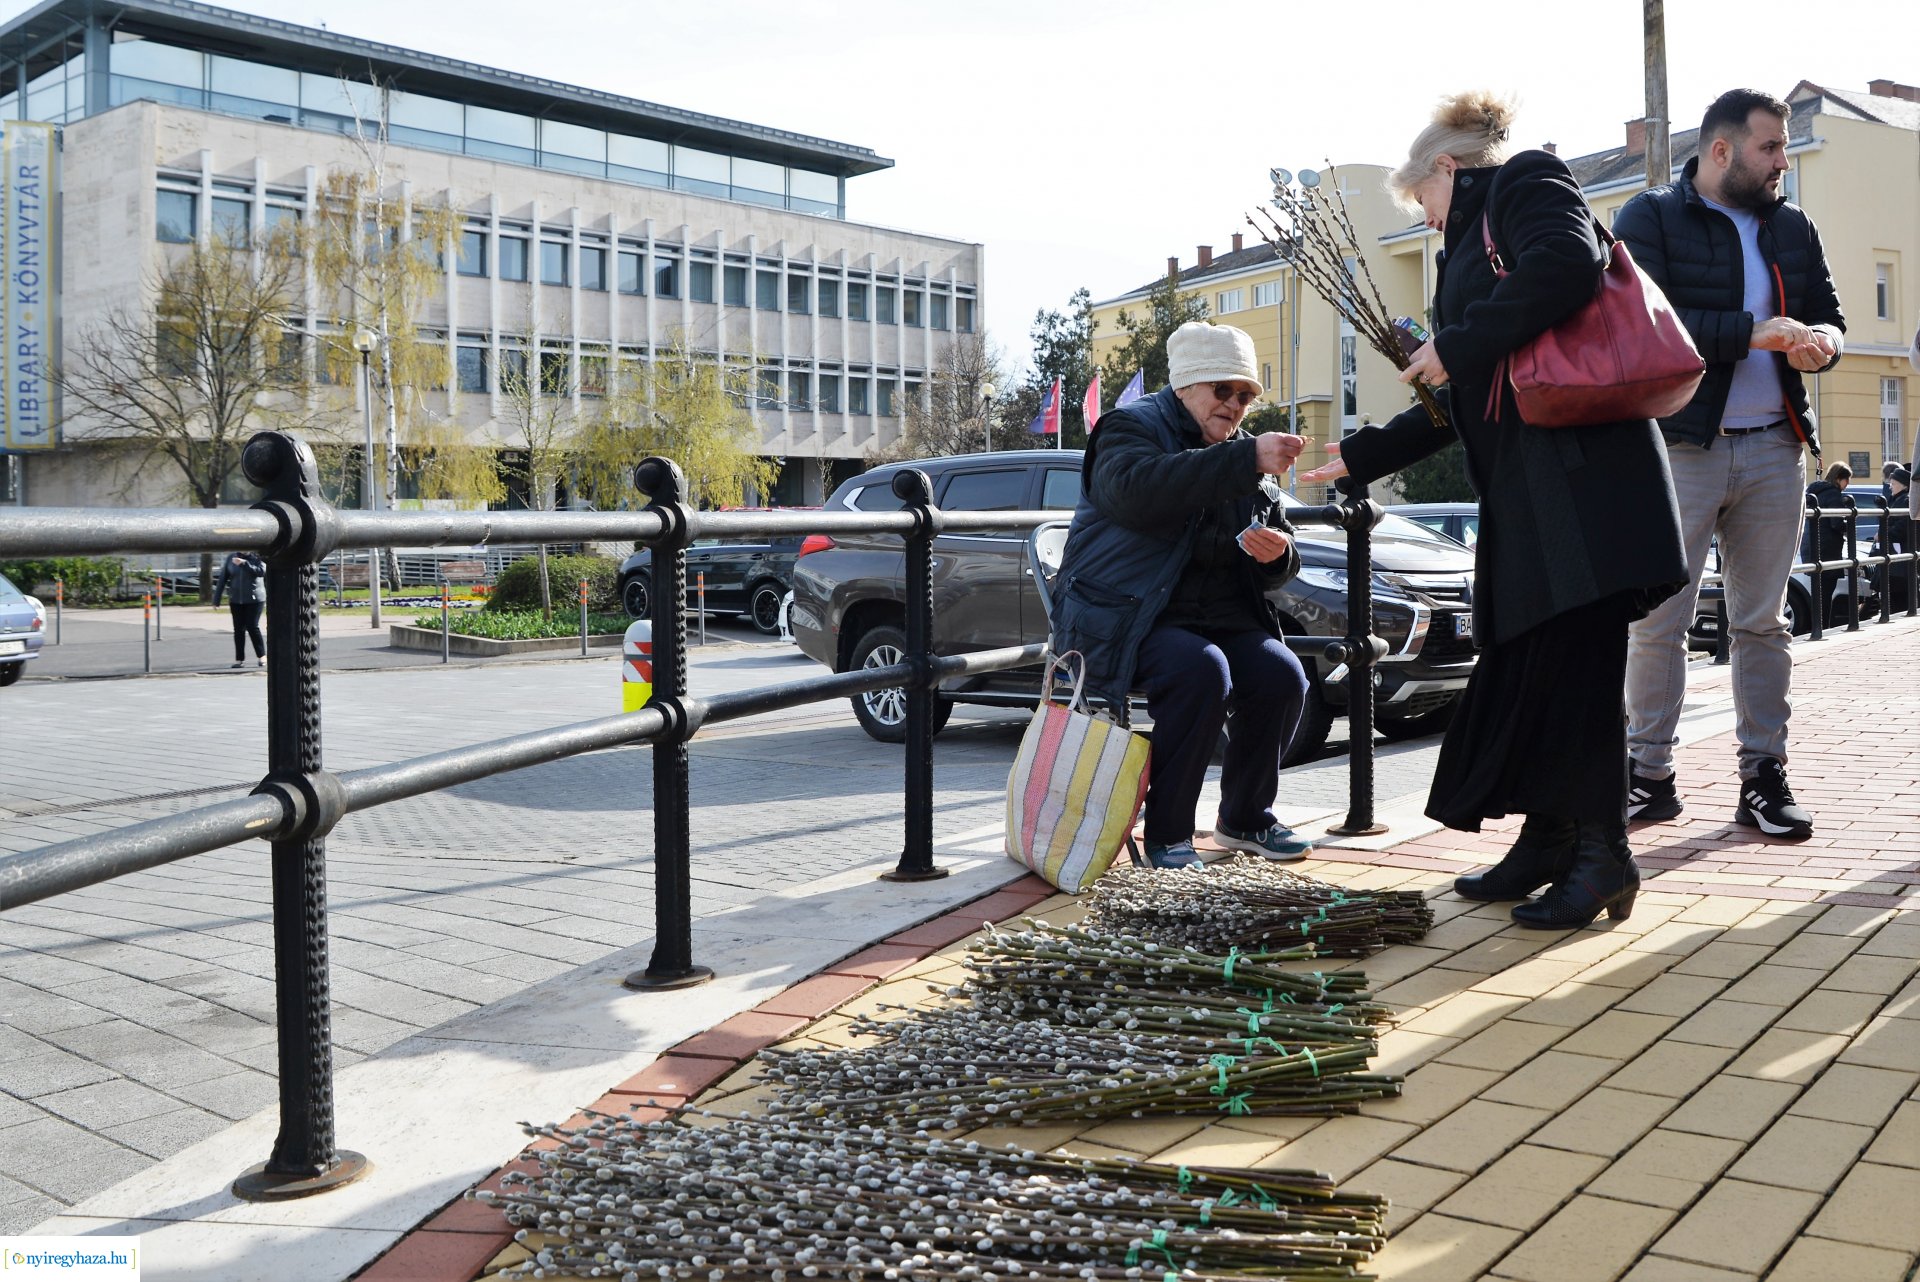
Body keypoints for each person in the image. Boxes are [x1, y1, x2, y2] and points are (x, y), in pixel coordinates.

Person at [1300, 91, 1687, 929]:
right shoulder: (1477, 236)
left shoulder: (1526, 181)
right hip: (1539, 498)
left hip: (1582, 490)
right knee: (1538, 669)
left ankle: (1604, 857)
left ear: (1446, 168)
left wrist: (1456, 342)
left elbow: (1565, 267)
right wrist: (1363, 455)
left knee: (1577, 675)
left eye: (1425, 203)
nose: (1428, 221)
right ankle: (1550, 840)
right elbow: (1467, 390)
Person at [1616, 88, 1846, 840]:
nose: (1783, 161)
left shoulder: (1794, 224)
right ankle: (1647, 777)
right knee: (1657, 624)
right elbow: (1646, 326)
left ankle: (1762, 779)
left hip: (1777, 447)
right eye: (1770, 148)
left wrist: (1824, 340)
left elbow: (1829, 316)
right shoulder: (1649, 218)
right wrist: (1757, 334)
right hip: (1681, 446)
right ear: (1722, 152)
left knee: (1763, 625)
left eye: (1782, 148)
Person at [1052, 320, 1312, 870]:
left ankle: (1245, 817)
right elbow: (1137, 493)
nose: (1236, 406)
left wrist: (1278, 555)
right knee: (1202, 671)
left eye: (1246, 395)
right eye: (1224, 391)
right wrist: (1244, 462)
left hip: (1217, 616)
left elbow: (1281, 550)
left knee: (1282, 675)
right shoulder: (1128, 427)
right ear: (1189, 384)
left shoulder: (1243, 450)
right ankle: (1168, 834)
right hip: (1128, 616)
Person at [1803, 461, 1852, 629]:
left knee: (1818, 592)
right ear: (1839, 478)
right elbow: (1836, 523)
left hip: (1811, 548)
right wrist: (1849, 526)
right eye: (1847, 480)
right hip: (1827, 549)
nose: (1848, 484)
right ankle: (1822, 628)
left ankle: (1816, 627)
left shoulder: (1815, 492)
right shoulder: (1833, 494)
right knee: (1826, 593)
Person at [212, 549, 267, 668]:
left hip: (255, 599)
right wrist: (216, 600)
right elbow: (223, 579)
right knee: (238, 629)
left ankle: (262, 656)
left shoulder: (257, 557)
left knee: (252, 626)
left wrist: (244, 563)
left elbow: (261, 572)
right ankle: (239, 659)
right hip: (236, 599)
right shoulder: (231, 558)